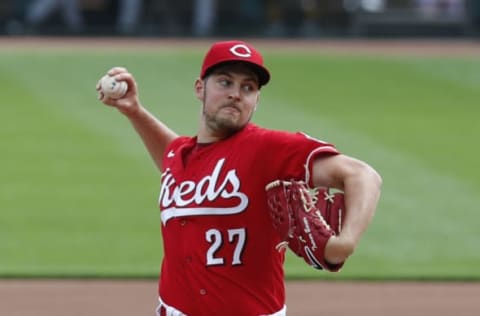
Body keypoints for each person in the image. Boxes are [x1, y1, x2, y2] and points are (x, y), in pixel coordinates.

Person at [96, 40, 382, 315]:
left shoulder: (269, 149)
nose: (236, 93)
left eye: (248, 87)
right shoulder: (180, 155)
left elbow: (363, 175)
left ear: (256, 100)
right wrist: (135, 112)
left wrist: (344, 243)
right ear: (200, 88)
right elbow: (176, 160)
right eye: (225, 82)